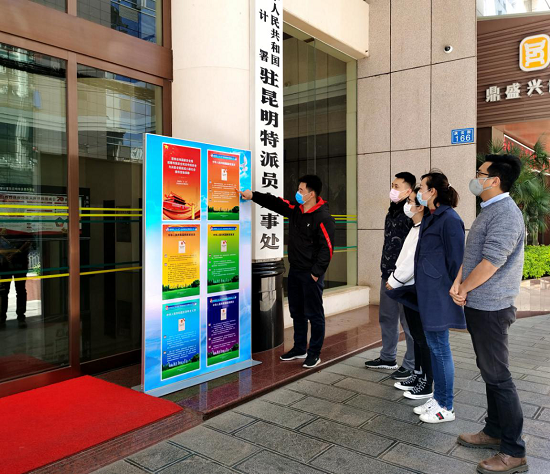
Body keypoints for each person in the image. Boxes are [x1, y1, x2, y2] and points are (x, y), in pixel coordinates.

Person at [451, 154, 528, 474]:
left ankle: (514, 451)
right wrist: (459, 282)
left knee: (498, 376)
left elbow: (491, 262)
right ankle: (494, 430)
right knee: (489, 372)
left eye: (480, 173)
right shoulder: (490, 210)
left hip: (492, 307)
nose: (476, 177)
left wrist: (464, 288)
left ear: (494, 180)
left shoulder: (506, 214)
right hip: (480, 304)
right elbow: (473, 255)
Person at [239, 175, 335, 369]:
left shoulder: (323, 217)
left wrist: (316, 272)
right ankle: (299, 348)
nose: (297, 193)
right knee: (297, 312)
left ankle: (314, 353)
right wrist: (253, 195)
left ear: (311, 194)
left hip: (311, 274)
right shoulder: (296, 209)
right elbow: (275, 202)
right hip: (295, 271)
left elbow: (328, 248)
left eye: (301, 190)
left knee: (314, 314)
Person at [411, 170, 465, 424]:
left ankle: (446, 406)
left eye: (422, 187)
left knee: (440, 348)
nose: (419, 192)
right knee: (434, 346)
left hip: (440, 293)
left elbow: (457, 260)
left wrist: (456, 290)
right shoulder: (432, 216)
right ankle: (438, 398)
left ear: (433, 191)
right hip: (428, 292)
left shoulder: (450, 219)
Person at [365, 172, 416, 381]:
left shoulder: (412, 212)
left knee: (408, 321)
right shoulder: (392, 211)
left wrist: (401, 274)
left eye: (397, 186)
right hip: (387, 272)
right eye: (392, 185)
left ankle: (411, 364)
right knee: (387, 317)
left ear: (408, 191)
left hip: (404, 276)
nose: (392, 189)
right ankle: (387, 357)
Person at [386, 188, 433, 400]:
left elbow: (412, 261)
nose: (407, 205)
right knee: (416, 335)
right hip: (408, 288)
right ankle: (418, 375)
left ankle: (426, 382)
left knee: (422, 338)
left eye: (411, 201)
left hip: (414, 288)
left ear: (420, 206)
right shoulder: (415, 227)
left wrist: (394, 280)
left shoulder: (424, 228)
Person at [0, 231, 31, 330]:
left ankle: (21, 317)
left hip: (19, 263)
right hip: (5, 264)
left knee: (20, 291)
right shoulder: (3, 228)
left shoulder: (23, 229)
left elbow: (29, 242)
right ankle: (2, 318)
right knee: (3, 292)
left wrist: (15, 253)